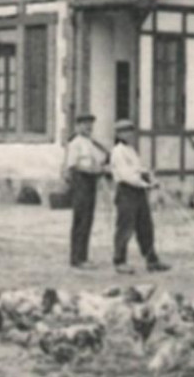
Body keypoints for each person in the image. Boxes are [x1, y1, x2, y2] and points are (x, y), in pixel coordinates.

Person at [109, 119, 169, 275]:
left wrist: (149, 176)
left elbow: (138, 169)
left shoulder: (131, 150)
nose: (128, 134)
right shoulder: (118, 151)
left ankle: (152, 260)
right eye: (124, 132)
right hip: (126, 191)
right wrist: (146, 185)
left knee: (145, 226)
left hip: (139, 192)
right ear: (118, 134)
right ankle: (119, 261)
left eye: (130, 131)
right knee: (125, 227)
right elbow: (127, 175)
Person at [62, 113, 108, 269]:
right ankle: (77, 258)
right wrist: (92, 170)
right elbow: (73, 165)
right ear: (78, 126)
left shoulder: (90, 143)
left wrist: (100, 168)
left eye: (90, 125)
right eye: (85, 124)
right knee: (81, 219)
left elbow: (100, 158)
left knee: (88, 219)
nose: (88, 127)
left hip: (90, 181)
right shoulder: (75, 143)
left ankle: (83, 256)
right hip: (81, 181)